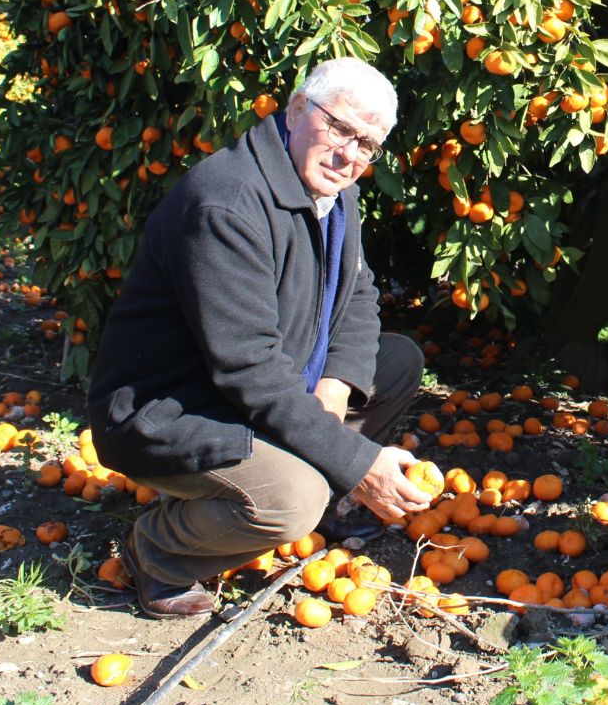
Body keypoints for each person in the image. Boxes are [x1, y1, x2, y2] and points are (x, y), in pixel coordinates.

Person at [87, 57, 433, 618]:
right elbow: (248, 370)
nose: (349, 155)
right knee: (294, 502)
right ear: (297, 110)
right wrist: (355, 459)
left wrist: (336, 390)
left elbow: (359, 294)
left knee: (394, 361)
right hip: (172, 410)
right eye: (340, 128)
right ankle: (157, 552)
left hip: (253, 390)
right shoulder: (226, 202)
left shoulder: (331, 190)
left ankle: (293, 476)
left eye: (366, 144)